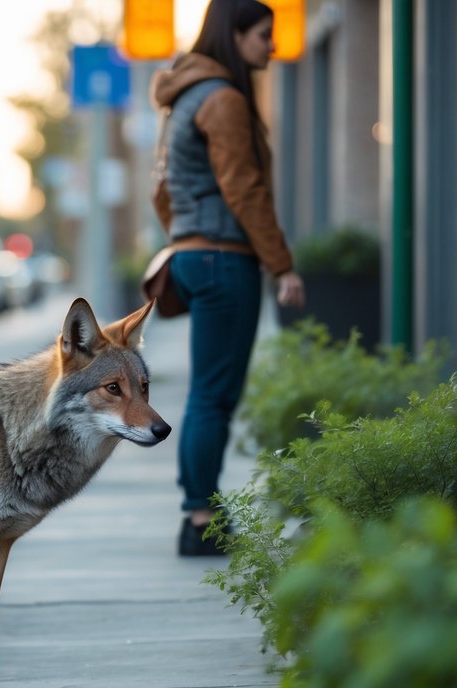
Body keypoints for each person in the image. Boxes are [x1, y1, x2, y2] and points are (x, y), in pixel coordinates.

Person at [150, 0, 306, 556]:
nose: (273, 45)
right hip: (223, 258)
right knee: (214, 396)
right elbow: (245, 189)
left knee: (208, 394)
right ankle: (198, 521)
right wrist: (281, 263)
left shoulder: (185, 97)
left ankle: (199, 512)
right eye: (264, 34)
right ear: (234, 35)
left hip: (195, 257)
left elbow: (162, 189)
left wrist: (183, 239)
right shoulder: (223, 100)